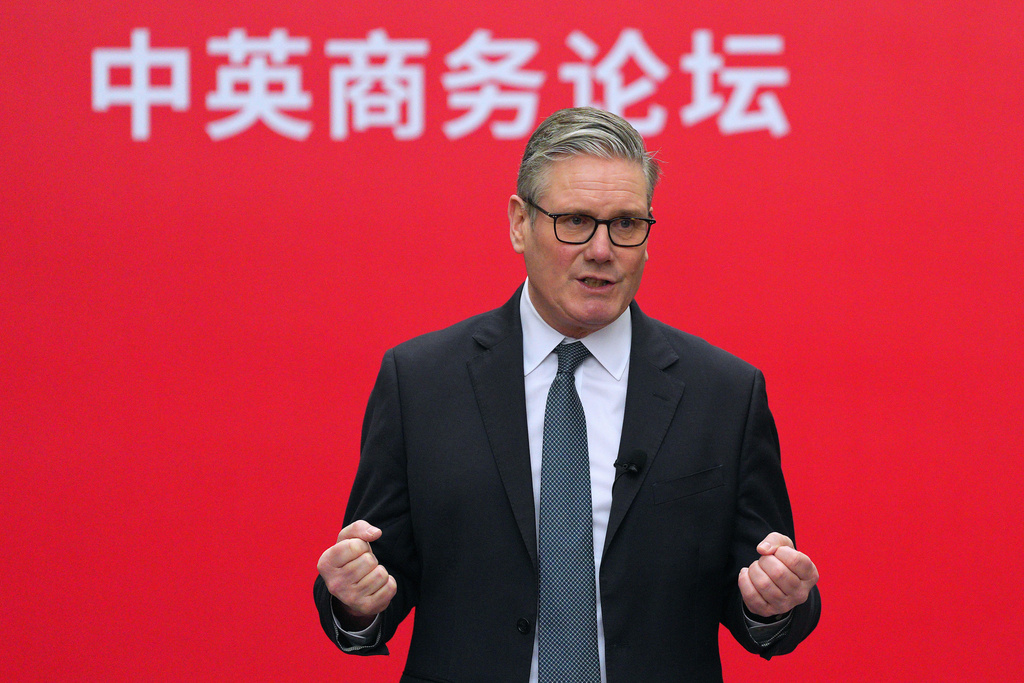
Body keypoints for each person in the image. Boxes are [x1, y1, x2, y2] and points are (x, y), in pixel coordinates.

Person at [314, 107, 820, 682]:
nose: (602, 249)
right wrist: (356, 600)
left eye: (625, 224)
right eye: (575, 221)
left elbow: (763, 593)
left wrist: (775, 603)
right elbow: (376, 580)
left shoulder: (724, 393)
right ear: (519, 223)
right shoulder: (421, 382)